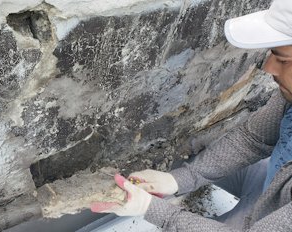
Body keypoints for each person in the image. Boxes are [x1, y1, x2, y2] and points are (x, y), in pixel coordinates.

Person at [90, 0, 292, 231]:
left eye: (282, 59)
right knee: (206, 149)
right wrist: (182, 179)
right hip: (273, 188)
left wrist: (153, 209)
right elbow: (253, 139)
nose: (268, 67)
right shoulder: (289, 96)